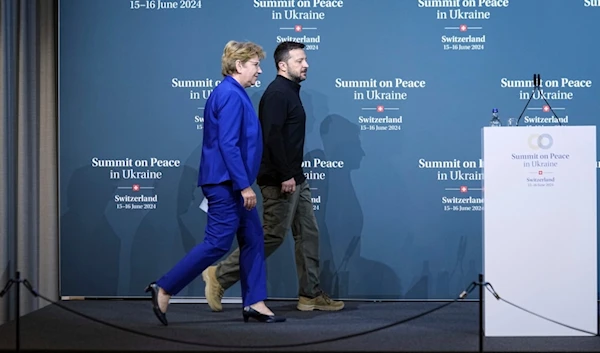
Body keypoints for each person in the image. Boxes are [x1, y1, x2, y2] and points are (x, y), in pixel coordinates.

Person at [145, 40, 285, 325]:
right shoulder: (231, 95)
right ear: (239, 66)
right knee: (218, 242)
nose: (260, 71)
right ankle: (165, 286)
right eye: (256, 65)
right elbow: (228, 145)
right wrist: (244, 185)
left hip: (230, 181)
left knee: (254, 239)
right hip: (227, 183)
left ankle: (255, 303)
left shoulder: (233, 93)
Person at [202, 41, 344, 312]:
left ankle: (310, 294)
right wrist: (286, 175)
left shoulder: (290, 91)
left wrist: (294, 175)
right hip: (280, 179)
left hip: (295, 177)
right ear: (283, 65)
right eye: (300, 60)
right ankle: (219, 275)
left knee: (308, 235)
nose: (306, 65)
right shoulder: (277, 93)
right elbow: (272, 138)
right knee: (272, 236)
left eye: (305, 59)